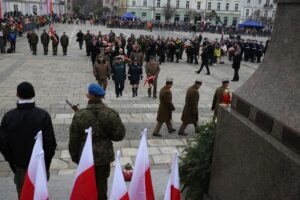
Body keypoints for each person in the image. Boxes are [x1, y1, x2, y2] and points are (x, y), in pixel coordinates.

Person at [69, 83, 126, 200]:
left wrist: (76, 158)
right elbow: (119, 135)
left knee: (86, 187)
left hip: (85, 156)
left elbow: (73, 141)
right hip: (104, 157)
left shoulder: (80, 115)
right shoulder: (110, 113)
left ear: (89, 95)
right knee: (101, 186)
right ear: (102, 97)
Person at [0, 82, 57, 198]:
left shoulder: (8, 117)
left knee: (23, 195)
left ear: (17, 94)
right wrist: (46, 164)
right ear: (33, 94)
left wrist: (13, 163)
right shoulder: (43, 115)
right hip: (39, 166)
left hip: (20, 165)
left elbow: (3, 145)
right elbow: (51, 144)